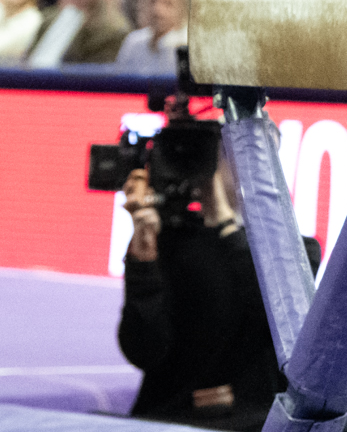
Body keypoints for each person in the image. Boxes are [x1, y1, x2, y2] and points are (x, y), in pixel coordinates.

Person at [118, 120, 322, 429]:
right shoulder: (168, 242)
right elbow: (144, 350)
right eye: (227, 155)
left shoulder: (298, 253)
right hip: (169, 417)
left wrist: (221, 217)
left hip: (253, 420)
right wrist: (143, 260)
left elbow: (265, 306)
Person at [114, 0, 189, 75]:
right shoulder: (133, 41)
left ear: (182, 9)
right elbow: (120, 81)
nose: (158, 10)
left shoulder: (188, 45)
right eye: (153, 1)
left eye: (168, 3)